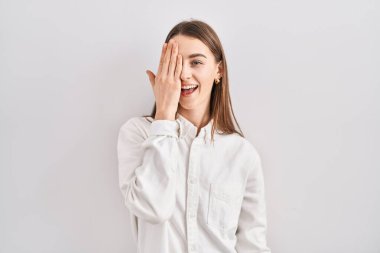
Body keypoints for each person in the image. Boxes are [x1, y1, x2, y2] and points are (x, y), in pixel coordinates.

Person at [117, 19, 271, 253]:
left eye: (196, 62)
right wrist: (165, 116)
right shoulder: (138, 133)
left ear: (218, 70)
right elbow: (154, 209)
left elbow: (253, 245)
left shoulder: (243, 154)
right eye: (176, 64)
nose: (184, 74)